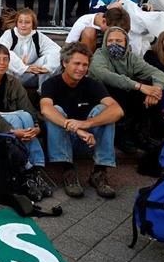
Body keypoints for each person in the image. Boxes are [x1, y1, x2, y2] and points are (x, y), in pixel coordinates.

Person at [39, 43, 124, 199]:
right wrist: (76, 128)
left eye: (85, 64)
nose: (81, 68)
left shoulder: (92, 84)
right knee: (55, 111)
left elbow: (117, 110)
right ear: (65, 63)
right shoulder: (51, 84)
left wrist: (87, 124)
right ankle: (68, 171)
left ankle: (99, 172)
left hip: (89, 140)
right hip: (63, 139)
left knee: (104, 110)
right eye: (76, 63)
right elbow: (45, 109)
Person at [0, 44, 52, 199]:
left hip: (16, 127)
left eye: (5, 59)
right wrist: (13, 131)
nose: (1, 63)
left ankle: (35, 172)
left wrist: (36, 127)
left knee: (26, 117)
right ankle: (30, 170)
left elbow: (27, 108)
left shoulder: (13, 82)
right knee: (17, 118)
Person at [88, 26, 164, 153]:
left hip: (126, 96)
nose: (114, 44)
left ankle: (142, 133)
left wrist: (155, 90)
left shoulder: (131, 58)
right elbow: (102, 74)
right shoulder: (100, 55)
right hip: (101, 97)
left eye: (118, 41)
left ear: (126, 43)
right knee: (120, 90)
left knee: (147, 94)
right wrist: (139, 86)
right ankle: (120, 136)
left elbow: (158, 74)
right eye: (110, 41)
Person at [0, 8, 60, 88]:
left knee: (50, 58)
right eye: (20, 22)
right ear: (16, 23)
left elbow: (56, 51)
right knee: (5, 55)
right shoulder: (9, 34)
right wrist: (24, 68)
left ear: (33, 24)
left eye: (27, 22)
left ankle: (43, 93)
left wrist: (48, 68)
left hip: (32, 75)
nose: (23, 25)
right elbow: (0, 51)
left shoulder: (37, 36)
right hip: (12, 76)